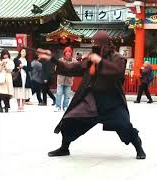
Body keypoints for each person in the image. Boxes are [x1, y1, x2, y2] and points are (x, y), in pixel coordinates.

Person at [37, 31, 146, 160]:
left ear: (105, 45)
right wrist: (53, 59)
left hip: (112, 102)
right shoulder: (91, 59)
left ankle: (139, 147)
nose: (95, 49)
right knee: (69, 119)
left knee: (124, 126)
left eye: (98, 46)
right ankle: (64, 147)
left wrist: (100, 61)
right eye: (94, 47)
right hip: (92, 101)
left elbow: (117, 72)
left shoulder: (117, 58)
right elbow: (72, 68)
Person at [55, 47, 77, 112]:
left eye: (69, 52)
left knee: (67, 95)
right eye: (66, 52)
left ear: (71, 53)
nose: (68, 53)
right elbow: (56, 69)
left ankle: (65, 106)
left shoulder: (74, 61)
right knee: (59, 93)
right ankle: (58, 106)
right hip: (60, 80)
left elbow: (76, 70)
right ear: (64, 53)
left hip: (69, 81)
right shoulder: (60, 60)